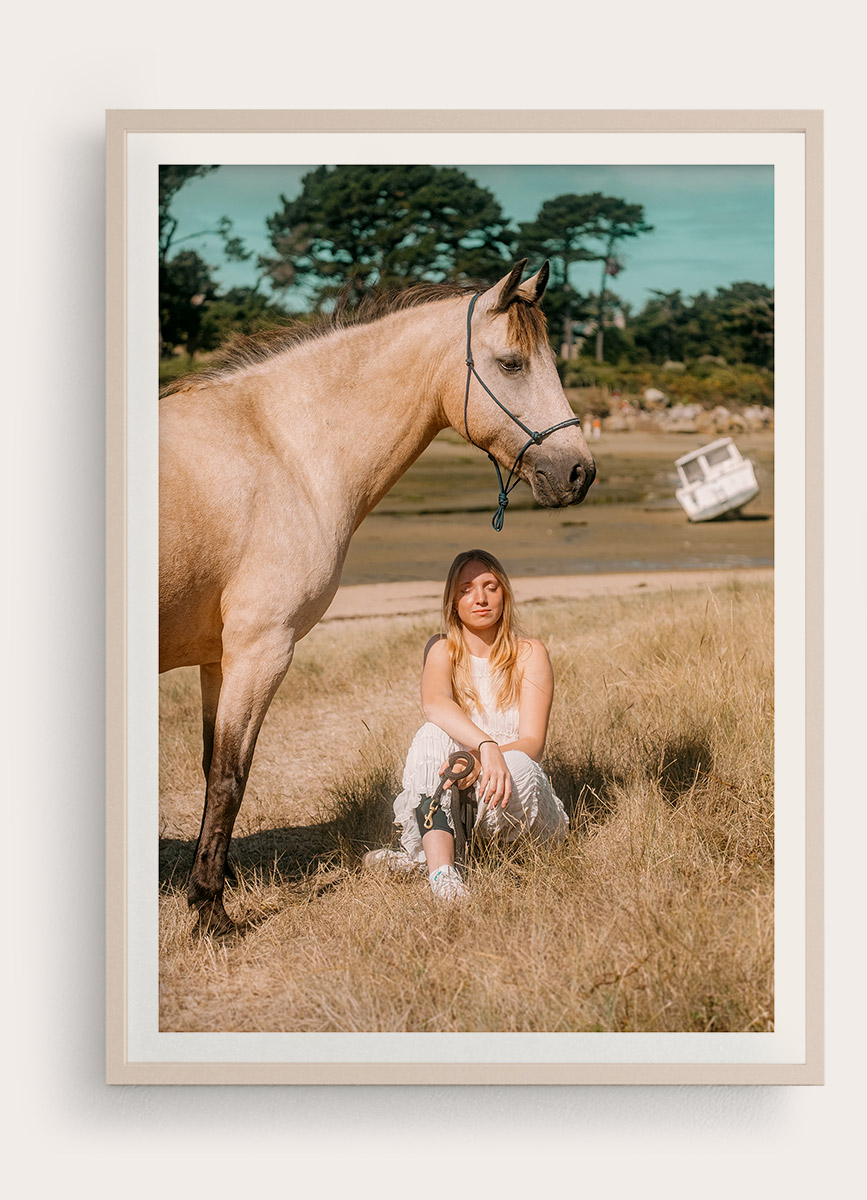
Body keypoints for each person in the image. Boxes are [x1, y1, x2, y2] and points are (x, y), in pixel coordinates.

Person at [364, 550, 568, 900]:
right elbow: (435, 705)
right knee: (431, 736)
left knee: (518, 762)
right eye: (467, 589)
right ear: (453, 601)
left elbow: (533, 742)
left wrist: (486, 758)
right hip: (457, 790)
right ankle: (443, 875)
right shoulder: (442, 650)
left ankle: (423, 859)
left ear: (504, 594)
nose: (481, 598)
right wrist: (483, 748)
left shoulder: (530, 653)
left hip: (515, 795)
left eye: (491, 586)